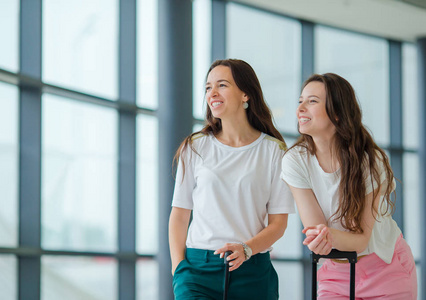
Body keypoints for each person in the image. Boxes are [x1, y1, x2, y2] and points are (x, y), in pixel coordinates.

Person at [281, 73, 417, 299]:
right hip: (335, 272)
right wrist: (322, 238)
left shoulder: (369, 160)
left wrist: (326, 236)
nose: (300, 108)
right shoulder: (294, 161)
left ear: (337, 113)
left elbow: (361, 239)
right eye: (300, 101)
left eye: (312, 101)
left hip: (386, 268)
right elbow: (317, 232)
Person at [169, 59, 294, 300]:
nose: (212, 93)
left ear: (246, 94)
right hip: (197, 271)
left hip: (253, 272)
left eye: (222, 85)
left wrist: (247, 250)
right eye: (208, 87)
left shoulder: (274, 151)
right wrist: (179, 270)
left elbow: (278, 224)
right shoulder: (195, 147)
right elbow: (179, 214)